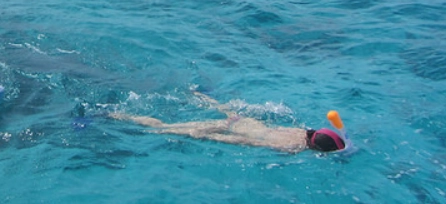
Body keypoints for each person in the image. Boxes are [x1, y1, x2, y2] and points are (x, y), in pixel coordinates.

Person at [110, 92, 346, 153]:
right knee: (163, 128)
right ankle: (118, 116)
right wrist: (211, 136)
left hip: (243, 120)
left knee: (222, 107)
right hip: (232, 129)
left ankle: (199, 95)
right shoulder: (291, 147)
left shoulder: (301, 132)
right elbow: (245, 142)